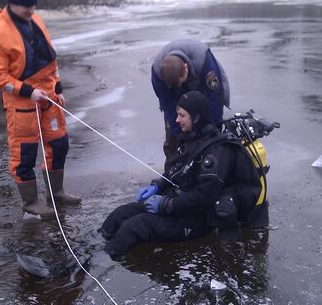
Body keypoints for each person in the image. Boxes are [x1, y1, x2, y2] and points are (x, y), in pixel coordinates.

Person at [0, 0, 80, 217]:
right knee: (25, 153)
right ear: (12, 4)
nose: (31, 11)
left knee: (59, 144)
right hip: (21, 102)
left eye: (33, 6)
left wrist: (58, 87)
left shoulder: (36, 20)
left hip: (48, 95)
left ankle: (57, 192)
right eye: (26, 7)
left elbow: (50, 59)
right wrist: (27, 92)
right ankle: (31, 203)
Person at [99, 91, 239, 256]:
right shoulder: (189, 139)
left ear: (196, 118)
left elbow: (204, 197)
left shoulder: (215, 151)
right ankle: (94, 245)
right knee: (120, 214)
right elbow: (176, 171)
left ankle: (101, 260)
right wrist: (158, 185)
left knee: (133, 227)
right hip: (176, 204)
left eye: (182, 115)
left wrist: (166, 205)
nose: (177, 120)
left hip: (196, 218)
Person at [151, 39, 230, 159]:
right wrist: (181, 136)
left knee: (210, 135)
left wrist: (212, 129)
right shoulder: (157, 74)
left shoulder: (204, 62)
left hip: (203, 90)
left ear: (185, 67)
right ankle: (173, 170)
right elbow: (168, 107)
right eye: (175, 85)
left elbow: (215, 98)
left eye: (180, 82)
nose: (179, 86)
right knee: (173, 140)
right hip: (176, 97)